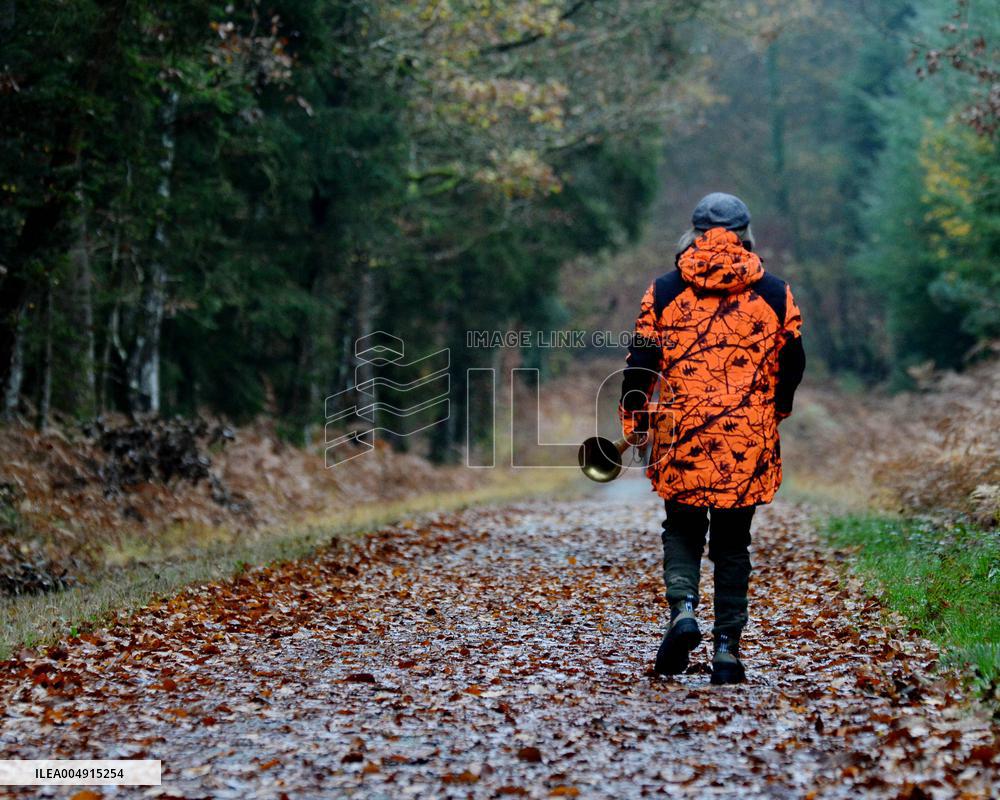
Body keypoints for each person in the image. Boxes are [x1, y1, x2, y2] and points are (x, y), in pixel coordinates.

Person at [619, 192, 805, 685]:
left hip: (681, 433)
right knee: (732, 543)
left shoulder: (664, 291)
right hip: (747, 437)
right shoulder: (775, 293)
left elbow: (640, 365)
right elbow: (793, 363)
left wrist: (634, 421)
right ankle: (726, 651)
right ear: (746, 235)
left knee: (682, 529)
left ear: (694, 234)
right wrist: (775, 410)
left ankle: (683, 610)